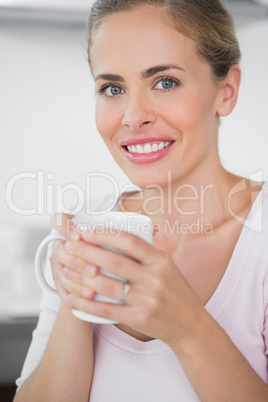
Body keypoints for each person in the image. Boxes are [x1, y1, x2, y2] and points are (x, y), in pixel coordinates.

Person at [14, 0, 268, 400]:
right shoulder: (88, 229)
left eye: (165, 81)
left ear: (227, 91)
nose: (134, 115)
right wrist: (77, 300)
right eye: (112, 88)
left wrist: (186, 328)